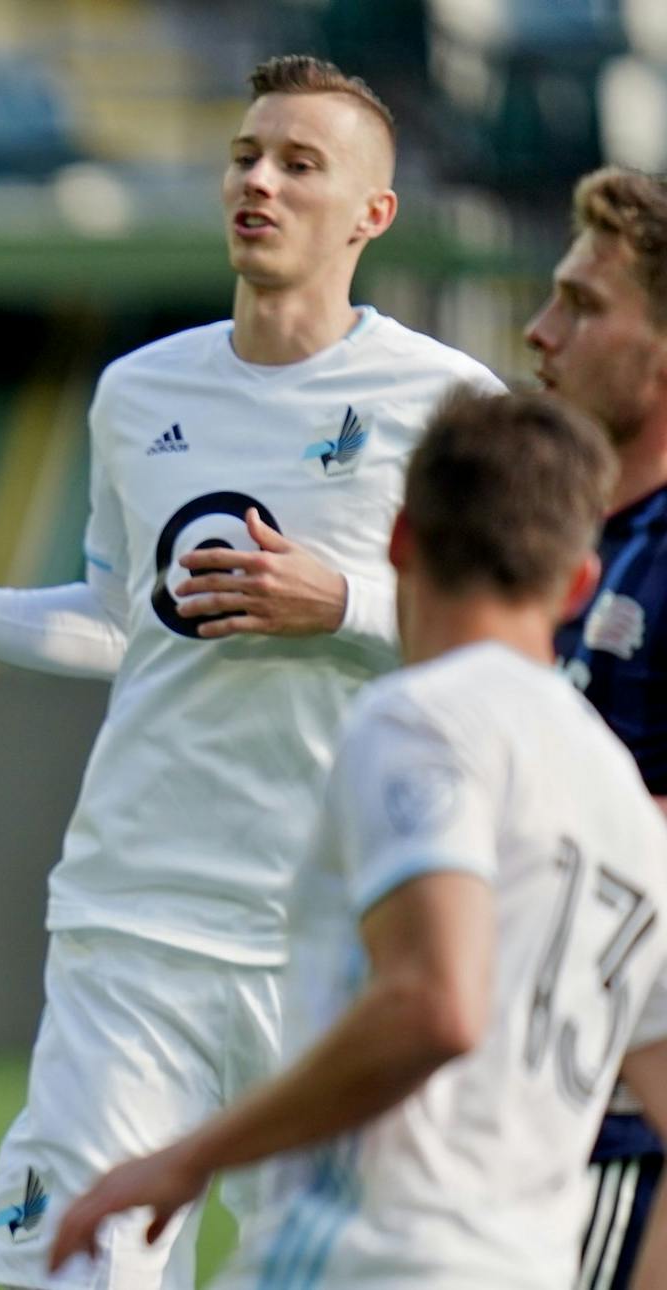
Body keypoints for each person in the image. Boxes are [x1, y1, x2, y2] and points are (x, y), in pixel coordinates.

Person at [0, 55, 500, 1288]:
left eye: (300, 164)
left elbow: (513, 645)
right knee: (70, 1269)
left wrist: (345, 603)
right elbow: (127, 617)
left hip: (340, 935)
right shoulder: (139, 393)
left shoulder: (453, 404)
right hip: (135, 920)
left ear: (373, 213)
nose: (260, 182)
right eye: (246, 156)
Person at [48, 390, 667, 1290]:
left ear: (400, 540)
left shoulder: (421, 720)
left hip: (371, 1259)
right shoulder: (621, 793)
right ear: (579, 582)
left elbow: (437, 1005)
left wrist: (188, 1157)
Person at [525, 166, 667, 1290]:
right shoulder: (572, 546)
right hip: (535, 1116)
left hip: (626, 1128)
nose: (541, 330)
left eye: (582, 305)